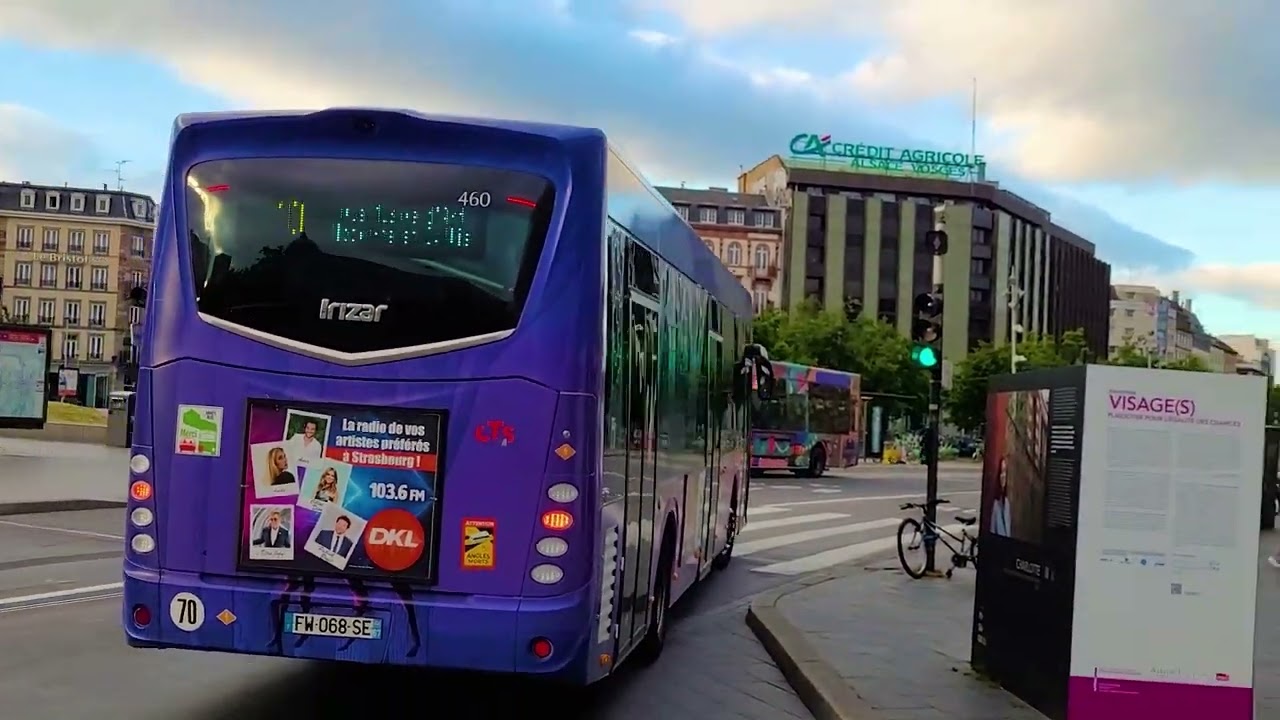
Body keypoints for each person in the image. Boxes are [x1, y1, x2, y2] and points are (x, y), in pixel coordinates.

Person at [989, 456, 1012, 537]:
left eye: (1005, 472)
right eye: (1001, 472)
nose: (1003, 476)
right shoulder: (994, 503)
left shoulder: (1007, 502)